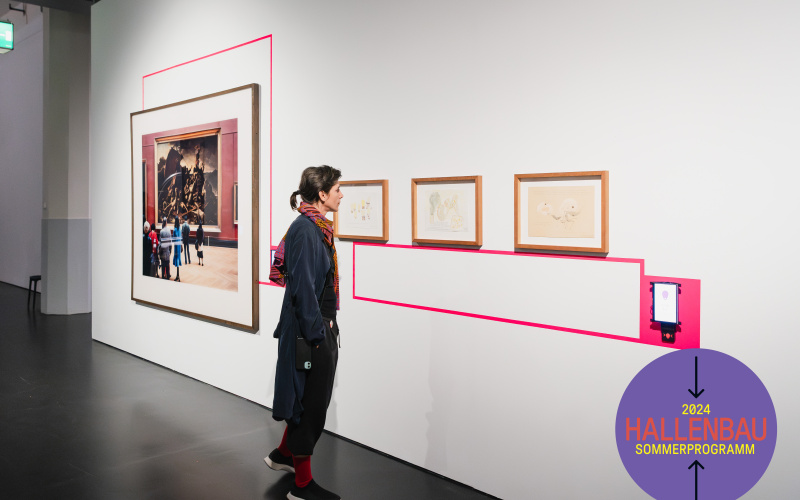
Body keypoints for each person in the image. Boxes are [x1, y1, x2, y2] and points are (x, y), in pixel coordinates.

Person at [266, 165, 343, 500]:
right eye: (338, 188)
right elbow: (302, 290)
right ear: (322, 194)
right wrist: (318, 335)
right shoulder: (308, 230)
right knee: (311, 407)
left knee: (304, 401)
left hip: (313, 329)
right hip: (308, 333)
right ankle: (302, 486)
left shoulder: (315, 228)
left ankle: (282, 456)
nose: (342, 194)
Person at [172, 216, 182, 282]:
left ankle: (177, 276)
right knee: (178, 258)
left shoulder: (175, 229)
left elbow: (173, 239)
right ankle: (178, 275)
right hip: (179, 245)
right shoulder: (180, 229)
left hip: (176, 246)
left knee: (177, 259)